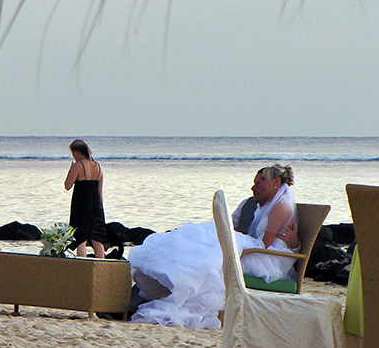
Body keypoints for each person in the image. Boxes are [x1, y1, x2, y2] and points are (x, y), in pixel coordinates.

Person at [128, 164, 300, 330]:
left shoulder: (280, 206)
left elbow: (265, 244)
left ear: (276, 182)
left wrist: (294, 243)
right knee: (207, 239)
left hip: (267, 259)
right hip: (256, 249)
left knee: (213, 252)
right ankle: (172, 280)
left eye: (260, 182)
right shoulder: (261, 205)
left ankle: (178, 286)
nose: (254, 187)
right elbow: (233, 224)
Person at [64, 139, 107, 258]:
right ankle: (100, 266)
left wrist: (70, 169)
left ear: (77, 152)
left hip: (81, 203)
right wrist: (100, 205)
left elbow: (67, 185)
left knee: (80, 238)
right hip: (96, 203)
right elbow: (100, 190)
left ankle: (83, 265)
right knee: (97, 239)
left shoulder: (78, 165)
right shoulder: (97, 166)